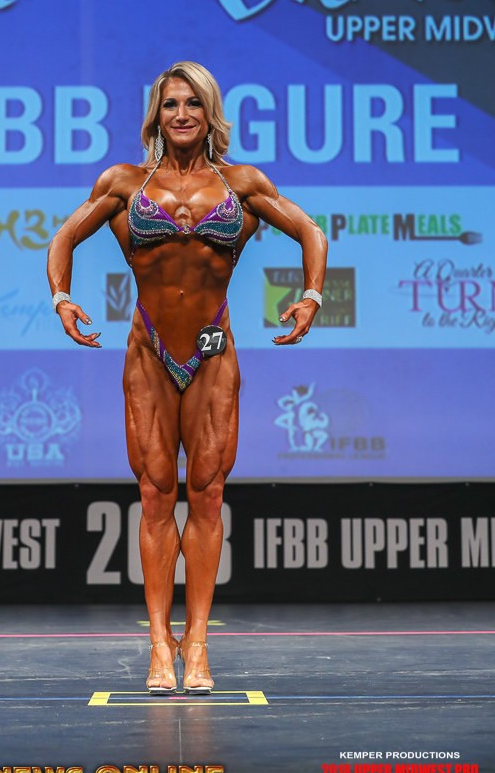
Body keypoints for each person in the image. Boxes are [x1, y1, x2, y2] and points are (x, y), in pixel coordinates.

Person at [47, 62, 327, 694]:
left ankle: (196, 643)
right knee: (154, 496)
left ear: (210, 115)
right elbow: (63, 238)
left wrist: (310, 296)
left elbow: (310, 232)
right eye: (171, 104)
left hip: (212, 353)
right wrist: (62, 299)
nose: (181, 114)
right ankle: (158, 644)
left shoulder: (241, 184)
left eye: (193, 104)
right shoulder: (123, 183)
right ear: (156, 115)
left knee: (206, 493)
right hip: (148, 353)